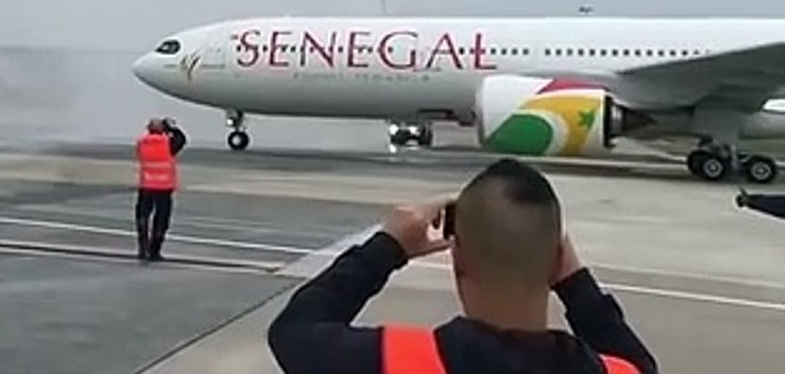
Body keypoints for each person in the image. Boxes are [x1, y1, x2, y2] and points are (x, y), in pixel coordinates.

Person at [267, 157, 657, 374]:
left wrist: (387, 247)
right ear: (557, 261)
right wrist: (574, 281)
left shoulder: (399, 360)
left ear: (458, 258)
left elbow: (293, 332)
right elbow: (639, 364)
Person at [134, 117, 186, 262]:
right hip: (164, 187)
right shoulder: (168, 143)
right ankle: (154, 251)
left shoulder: (142, 143)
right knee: (161, 220)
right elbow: (181, 139)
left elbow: (139, 154)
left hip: (146, 186)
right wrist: (171, 128)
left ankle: (143, 249)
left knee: (142, 217)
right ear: (163, 129)